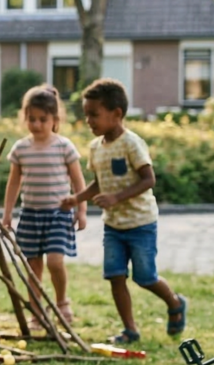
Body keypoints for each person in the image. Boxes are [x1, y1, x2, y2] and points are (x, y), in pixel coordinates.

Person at [60, 79, 187, 344]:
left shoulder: (132, 144)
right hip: (113, 227)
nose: (88, 121)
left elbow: (148, 179)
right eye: (86, 115)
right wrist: (77, 198)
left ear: (116, 113)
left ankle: (175, 303)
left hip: (141, 224)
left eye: (94, 114)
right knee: (115, 276)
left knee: (145, 277)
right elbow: (99, 183)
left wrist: (116, 197)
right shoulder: (96, 148)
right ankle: (130, 330)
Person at [2, 86, 88, 324]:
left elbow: (79, 181)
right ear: (24, 117)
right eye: (32, 119)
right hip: (30, 215)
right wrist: (7, 215)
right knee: (33, 267)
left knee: (55, 262)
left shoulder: (64, 146)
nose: (37, 124)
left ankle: (62, 302)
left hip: (58, 214)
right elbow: (13, 184)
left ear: (55, 120)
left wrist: (81, 210)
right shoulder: (20, 149)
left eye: (43, 119)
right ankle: (38, 310)